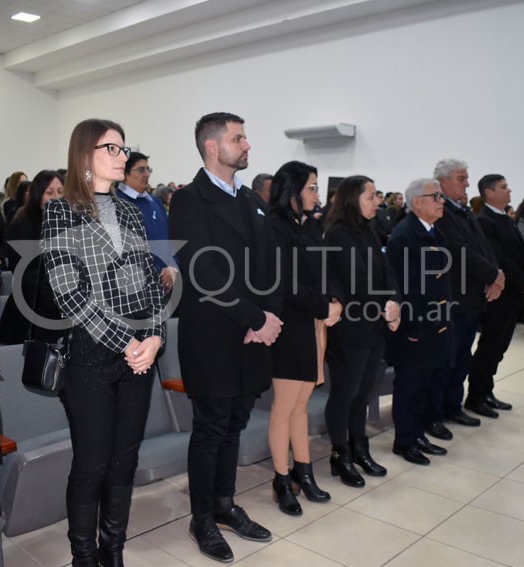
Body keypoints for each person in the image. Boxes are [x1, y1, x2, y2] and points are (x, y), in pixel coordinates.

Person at [41, 119, 165, 567]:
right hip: (91, 354)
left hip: (138, 352)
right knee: (92, 464)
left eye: (122, 148)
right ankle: (84, 555)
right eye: (110, 148)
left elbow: (151, 283)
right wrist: (126, 342)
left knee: (124, 462)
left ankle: (113, 549)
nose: (121, 156)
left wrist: (154, 336)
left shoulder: (131, 211)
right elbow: (68, 291)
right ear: (84, 155)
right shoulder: (60, 211)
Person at [168, 112, 282, 563]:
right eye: (239, 138)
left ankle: (224, 503)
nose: (248, 144)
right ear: (213, 146)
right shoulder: (190, 200)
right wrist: (255, 317)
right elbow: (204, 271)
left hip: (254, 332)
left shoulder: (251, 199)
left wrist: (269, 315)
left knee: (236, 422)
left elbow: (271, 261)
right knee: (211, 429)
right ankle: (201, 519)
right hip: (215, 334)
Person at [266, 160, 340, 515]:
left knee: (301, 405)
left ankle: (304, 471)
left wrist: (333, 301)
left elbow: (323, 270)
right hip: (288, 325)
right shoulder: (275, 227)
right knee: (284, 406)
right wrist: (323, 306)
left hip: (313, 324)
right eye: (312, 187)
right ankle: (282, 479)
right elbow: (286, 282)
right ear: (292, 191)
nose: (317, 193)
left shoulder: (310, 226)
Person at [324, 175, 401, 487]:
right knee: (345, 394)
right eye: (370, 196)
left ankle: (360, 447)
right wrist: (386, 303)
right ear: (353, 199)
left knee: (363, 394)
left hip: (373, 327)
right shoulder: (338, 235)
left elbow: (387, 273)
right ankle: (339, 454)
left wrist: (395, 300)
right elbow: (354, 284)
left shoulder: (369, 230)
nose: (377, 202)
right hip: (351, 329)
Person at [430, 158, 503, 436]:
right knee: (446, 359)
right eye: (461, 178)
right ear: (444, 182)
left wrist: (497, 273)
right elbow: (460, 252)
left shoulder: (464, 210)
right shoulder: (442, 212)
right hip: (454, 297)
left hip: (472, 297)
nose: (467, 183)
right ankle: (435, 412)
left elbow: (483, 246)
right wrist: (491, 275)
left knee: (462, 358)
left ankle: (452, 406)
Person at [385, 178, 452, 466]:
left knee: (425, 384)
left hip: (435, 323)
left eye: (440, 195)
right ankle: (404, 440)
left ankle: (418, 433)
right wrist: (413, 326)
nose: (441, 200)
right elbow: (404, 287)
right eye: (434, 196)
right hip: (415, 327)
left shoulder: (434, 231)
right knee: (409, 387)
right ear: (417, 203)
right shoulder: (404, 236)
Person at [467, 175, 524, 417]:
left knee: (501, 346)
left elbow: (522, 252)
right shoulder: (484, 221)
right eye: (503, 187)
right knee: (490, 345)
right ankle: (476, 396)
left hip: (514, 291)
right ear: (489, 192)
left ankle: (487, 390)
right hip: (499, 292)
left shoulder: (505, 218)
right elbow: (498, 258)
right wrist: (522, 281)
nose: (509, 190)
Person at [0, 170, 65, 345]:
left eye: (60, 191)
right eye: (49, 192)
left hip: (59, 313)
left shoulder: (66, 223)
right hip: (31, 316)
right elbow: (28, 278)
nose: (56, 197)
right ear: (37, 195)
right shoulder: (24, 224)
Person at [115, 151, 176, 292]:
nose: (147, 174)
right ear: (124, 173)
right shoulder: (115, 203)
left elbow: (170, 240)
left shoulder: (156, 203)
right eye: (141, 170)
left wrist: (172, 268)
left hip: (164, 287)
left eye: (148, 169)